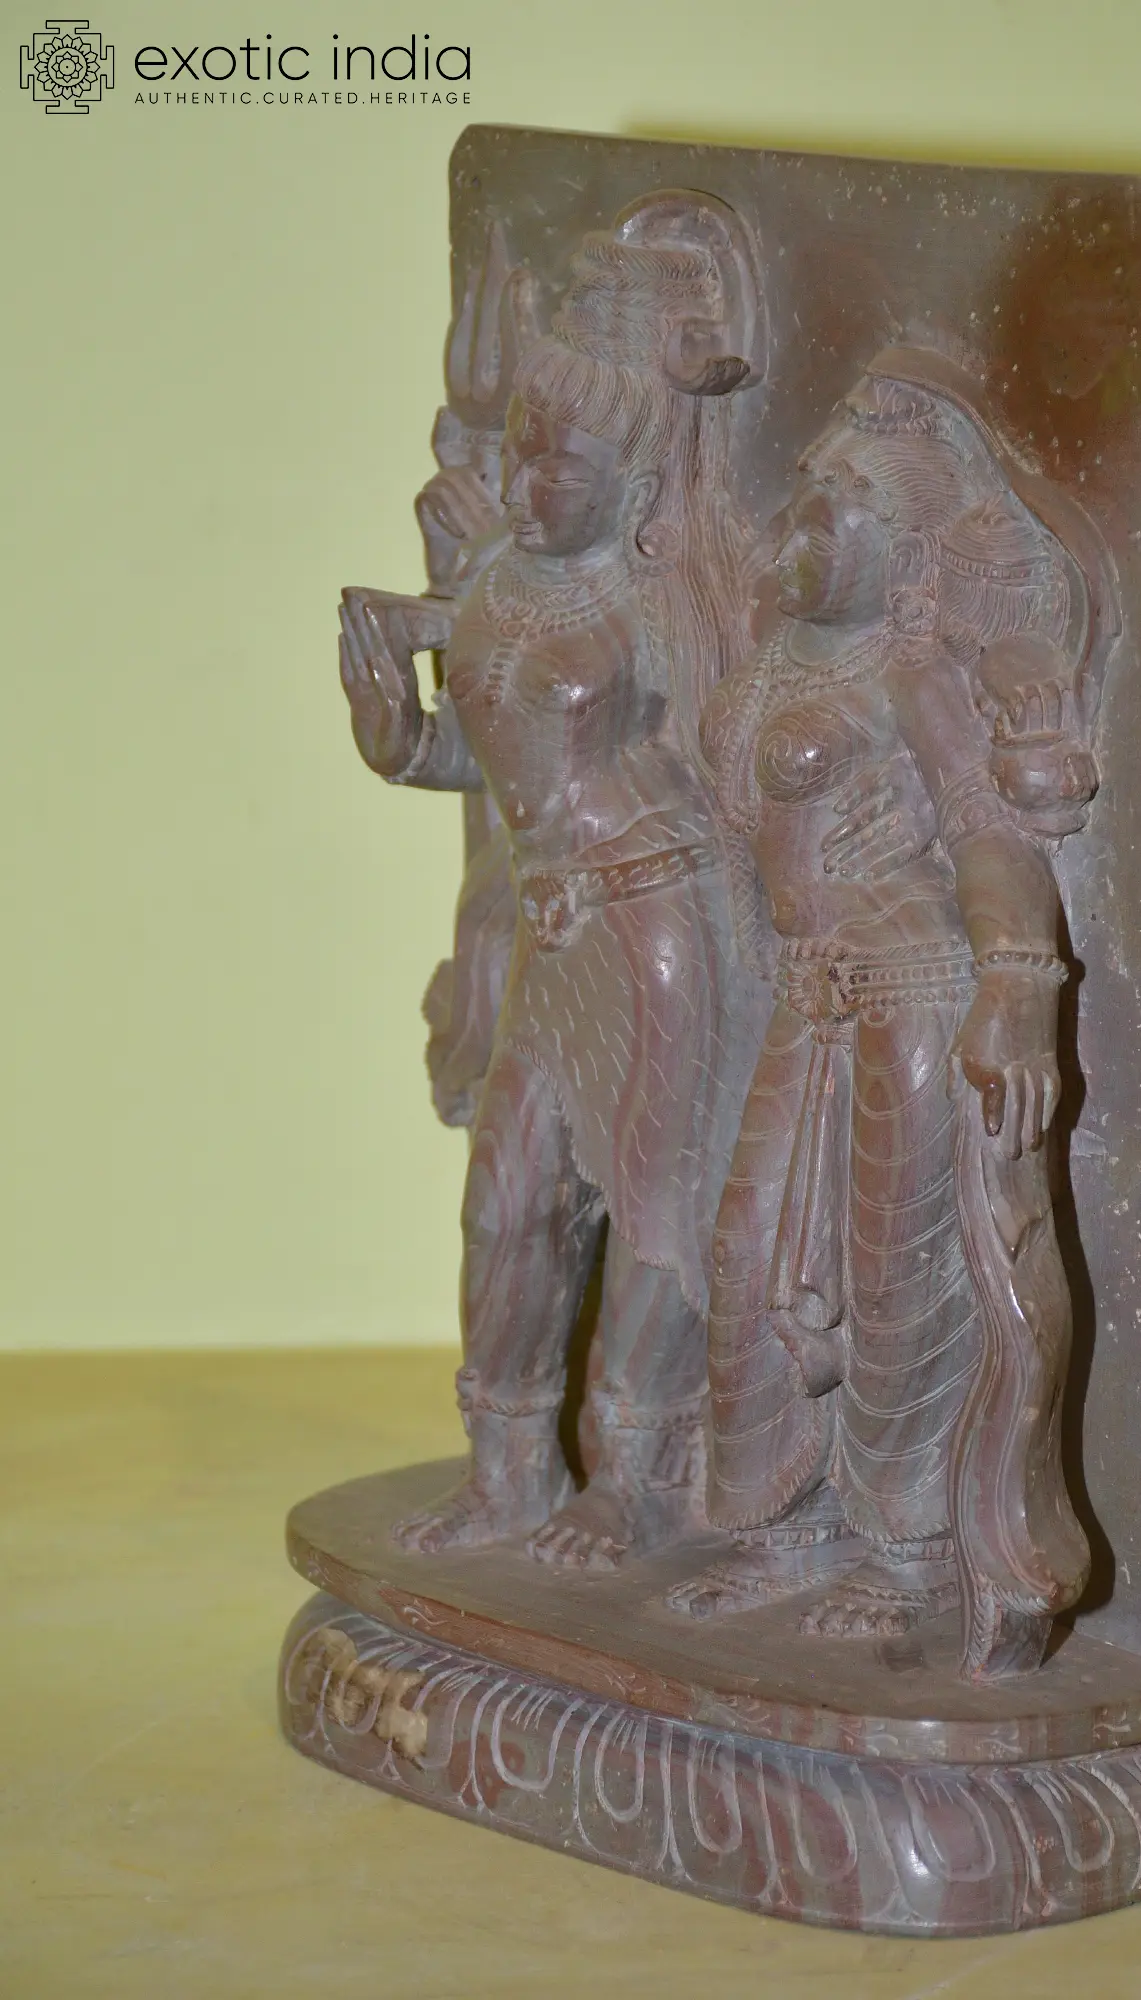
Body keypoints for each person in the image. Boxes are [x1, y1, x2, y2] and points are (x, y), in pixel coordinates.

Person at [668, 338, 1114, 1675]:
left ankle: (904, 1553)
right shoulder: (776, 662)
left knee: (895, 1278)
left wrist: (1016, 990)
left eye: (834, 517)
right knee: (749, 1251)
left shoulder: (913, 675)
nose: (796, 538)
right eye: (801, 511)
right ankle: (780, 1528)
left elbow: (988, 835)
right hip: (812, 994)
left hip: (910, 992)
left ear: (908, 553)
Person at [336, 194, 768, 1570]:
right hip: (550, 924)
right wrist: (394, 731)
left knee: (652, 1203)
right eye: (523, 449)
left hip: (654, 924)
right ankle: (508, 1469)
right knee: (509, 1197)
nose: (530, 483)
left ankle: (630, 1479)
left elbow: (739, 773)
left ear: (633, 480)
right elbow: (477, 759)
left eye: (563, 464)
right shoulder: (504, 584)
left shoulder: (665, 600)